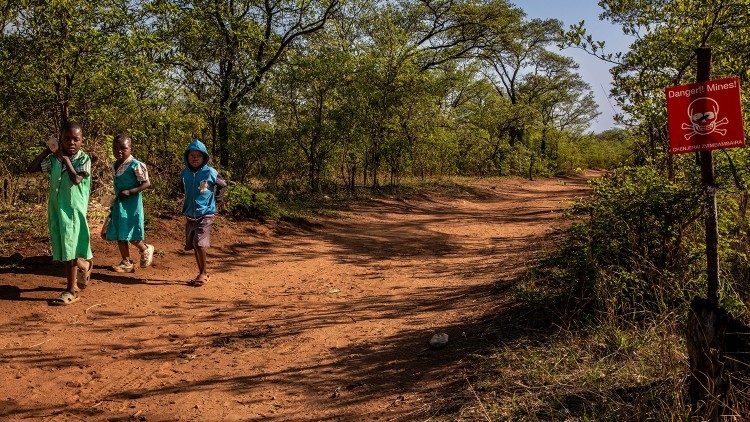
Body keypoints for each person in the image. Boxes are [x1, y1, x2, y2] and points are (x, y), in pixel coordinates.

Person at [27, 122, 93, 305]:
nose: (71, 142)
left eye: (76, 139)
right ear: (61, 140)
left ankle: (71, 291)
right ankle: (83, 265)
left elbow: (76, 179)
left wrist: (65, 160)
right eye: (66, 139)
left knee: (70, 246)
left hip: (73, 210)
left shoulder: (83, 159)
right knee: (64, 244)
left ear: (81, 141)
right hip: (57, 208)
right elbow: (32, 169)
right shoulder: (54, 159)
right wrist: (48, 151)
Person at [100, 134, 154, 272]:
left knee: (130, 231)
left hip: (131, 204)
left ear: (130, 149)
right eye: (115, 148)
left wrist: (131, 191)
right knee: (120, 231)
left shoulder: (136, 165)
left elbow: (146, 183)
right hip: (119, 203)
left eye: (123, 148)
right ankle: (126, 262)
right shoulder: (115, 165)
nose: (119, 151)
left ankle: (145, 249)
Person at [181, 139, 226, 286]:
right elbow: (185, 189)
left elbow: (222, 185)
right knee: (194, 244)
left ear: (204, 158)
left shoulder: (210, 172)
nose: (194, 158)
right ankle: (202, 271)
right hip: (190, 215)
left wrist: (217, 200)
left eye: (198, 156)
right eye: (192, 155)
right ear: (187, 157)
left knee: (199, 243)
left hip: (206, 213)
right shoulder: (185, 173)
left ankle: (203, 273)